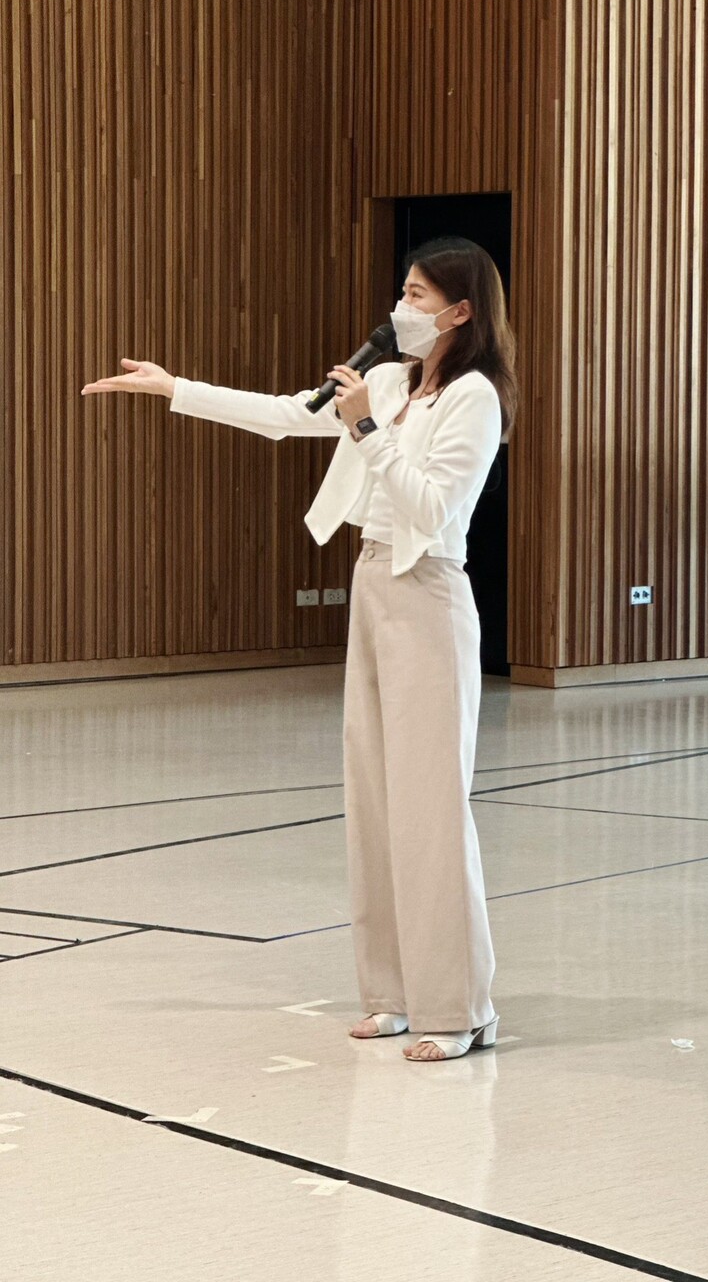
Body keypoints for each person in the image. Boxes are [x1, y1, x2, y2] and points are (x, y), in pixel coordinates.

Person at [82, 237, 516, 1063]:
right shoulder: (391, 381)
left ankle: (460, 1008)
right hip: (374, 584)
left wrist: (367, 430)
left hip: (429, 593)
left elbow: (432, 509)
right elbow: (287, 416)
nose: (402, 308)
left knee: (430, 808)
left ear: (461, 312)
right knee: (375, 800)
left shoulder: (475, 398)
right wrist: (176, 388)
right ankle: (393, 994)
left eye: (418, 298)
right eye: (403, 292)